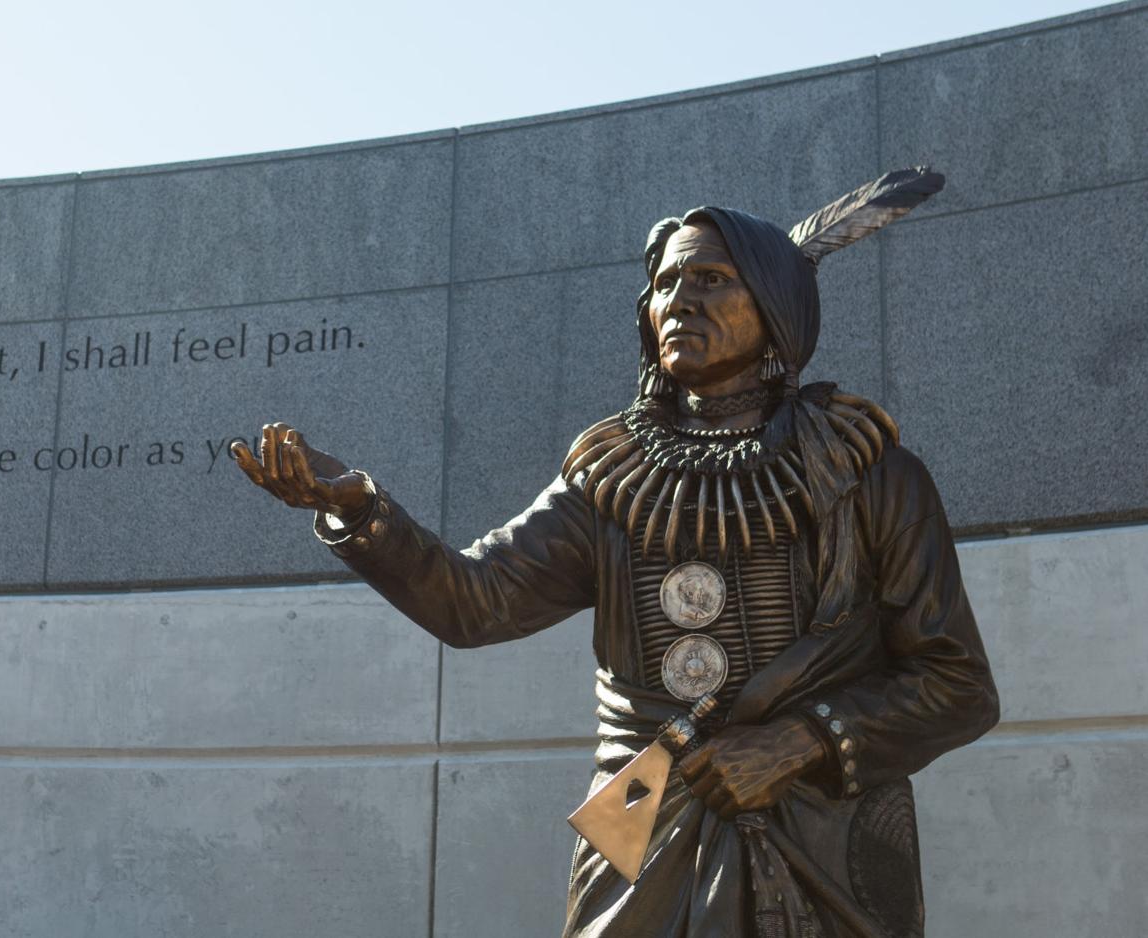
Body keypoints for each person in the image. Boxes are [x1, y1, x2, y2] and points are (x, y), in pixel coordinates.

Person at [232, 171, 999, 938]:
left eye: (711, 278)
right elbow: (475, 603)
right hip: (641, 808)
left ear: (776, 308)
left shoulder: (867, 474)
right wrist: (364, 513)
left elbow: (956, 683)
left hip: (824, 827)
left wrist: (799, 742)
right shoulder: (612, 479)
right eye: (665, 284)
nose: (680, 301)